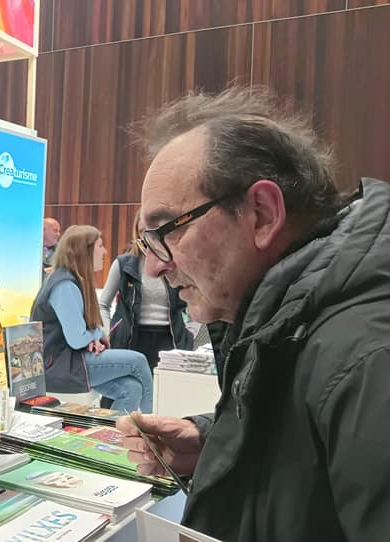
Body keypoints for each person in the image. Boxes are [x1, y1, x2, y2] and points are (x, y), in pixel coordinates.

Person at [116, 87, 390, 542]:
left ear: (262, 214)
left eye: (166, 232)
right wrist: (214, 445)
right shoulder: (293, 324)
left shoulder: (368, 361)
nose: (154, 266)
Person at [31, 225, 152, 413]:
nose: (105, 252)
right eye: (100, 246)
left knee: (131, 388)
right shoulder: (65, 285)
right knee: (139, 360)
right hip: (61, 365)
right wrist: (97, 334)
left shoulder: (68, 281)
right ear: (84, 251)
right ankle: (151, 421)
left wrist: (94, 337)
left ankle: (113, 430)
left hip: (69, 360)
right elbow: (77, 338)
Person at [99, 212, 194, 371]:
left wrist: (191, 332)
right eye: (142, 231)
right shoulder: (123, 264)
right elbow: (103, 304)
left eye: (152, 230)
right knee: (130, 384)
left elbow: (193, 299)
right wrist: (108, 332)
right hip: (130, 339)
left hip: (170, 339)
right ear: (136, 232)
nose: (147, 237)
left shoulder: (174, 264)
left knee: (166, 385)